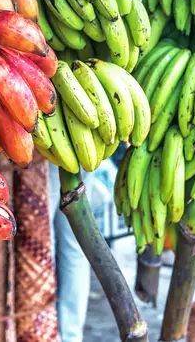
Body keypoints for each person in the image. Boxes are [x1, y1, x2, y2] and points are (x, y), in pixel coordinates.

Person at [47, 146, 121, 342]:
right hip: (86, 145)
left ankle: (47, 330)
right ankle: (70, 335)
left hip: (46, 147)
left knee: (45, 238)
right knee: (74, 245)